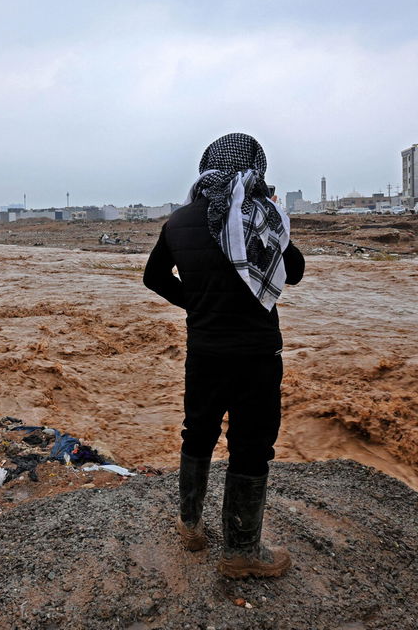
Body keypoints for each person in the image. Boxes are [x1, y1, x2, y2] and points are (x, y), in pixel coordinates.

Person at [143, 133, 304, 579]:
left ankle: (190, 525)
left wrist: (195, 301)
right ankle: (241, 552)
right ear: (256, 166)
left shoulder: (179, 222)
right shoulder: (263, 217)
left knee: (197, 431)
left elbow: (153, 277)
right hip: (256, 353)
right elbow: (295, 274)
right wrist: (275, 217)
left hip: (206, 350)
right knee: (251, 447)